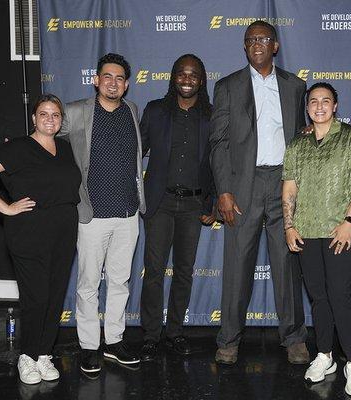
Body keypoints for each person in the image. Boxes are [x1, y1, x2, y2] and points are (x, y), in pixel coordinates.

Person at [210, 20, 308, 365]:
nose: (256, 44)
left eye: (263, 39)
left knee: (287, 265)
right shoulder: (227, 87)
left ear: (275, 46)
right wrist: (224, 191)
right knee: (237, 267)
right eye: (250, 40)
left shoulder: (296, 86)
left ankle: (294, 337)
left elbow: (303, 141)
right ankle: (229, 340)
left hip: (284, 184)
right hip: (242, 187)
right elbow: (219, 143)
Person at [0, 94, 81, 384]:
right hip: (29, 233)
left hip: (64, 232)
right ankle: (27, 357)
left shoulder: (66, 149)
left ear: (61, 120)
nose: (49, 119)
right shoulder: (17, 148)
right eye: (43, 114)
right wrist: (6, 207)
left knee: (55, 296)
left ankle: (44, 354)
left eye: (55, 115)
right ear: (33, 118)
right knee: (36, 298)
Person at [282, 82, 351, 397]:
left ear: (335, 106)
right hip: (306, 231)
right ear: (307, 108)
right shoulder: (297, 144)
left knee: (338, 296)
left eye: (326, 101)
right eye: (313, 102)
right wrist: (289, 226)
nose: (319, 106)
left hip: (340, 231)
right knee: (318, 297)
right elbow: (289, 189)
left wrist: (349, 222)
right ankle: (324, 355)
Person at [59, 53, 146, 373]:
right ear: (95, 80)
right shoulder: (76, 111)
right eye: (107, 76)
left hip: (128, 213)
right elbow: (47, 137)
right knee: (88, 283)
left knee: (121, 282)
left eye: (120, 78)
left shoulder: (132, 111)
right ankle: (88, 346)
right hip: (91, 214)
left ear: (127, 85)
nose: (113, 82)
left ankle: (114, 341)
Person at [138, 54, 215, 361]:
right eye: (181, 74)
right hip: (161, 203)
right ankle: (151, 335)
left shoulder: (210, 115)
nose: (187, 79)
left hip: (194, 204)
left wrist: (213, 201)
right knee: (154, 272)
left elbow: (218, 162)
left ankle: (175, 332)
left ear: (201, 80)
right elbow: (134, 151)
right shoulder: (156, 111)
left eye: (193, 75)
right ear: (173, 77)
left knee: (184, 272)